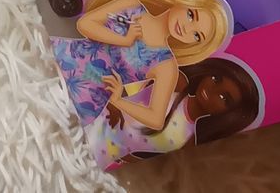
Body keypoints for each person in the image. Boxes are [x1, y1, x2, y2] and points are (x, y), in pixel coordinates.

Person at [52, 0, 231, 130]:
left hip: (84, 98)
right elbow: (85, 24)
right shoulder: (133, 6)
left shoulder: (165, 66)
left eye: (197, 35)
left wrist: (118, 100)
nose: (186, 28)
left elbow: (156, 119)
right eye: (191, 15)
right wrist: (122, 39)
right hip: (62, 57)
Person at [87, 56, 262, 168]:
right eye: (216, 79)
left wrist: (125, 158)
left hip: (100, 157)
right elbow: (131, 85)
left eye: (224, 98)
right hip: (94, 120)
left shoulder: (188, 141)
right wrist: (115, 103)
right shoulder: (177, 82)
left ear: (229, 115)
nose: (213, 90)